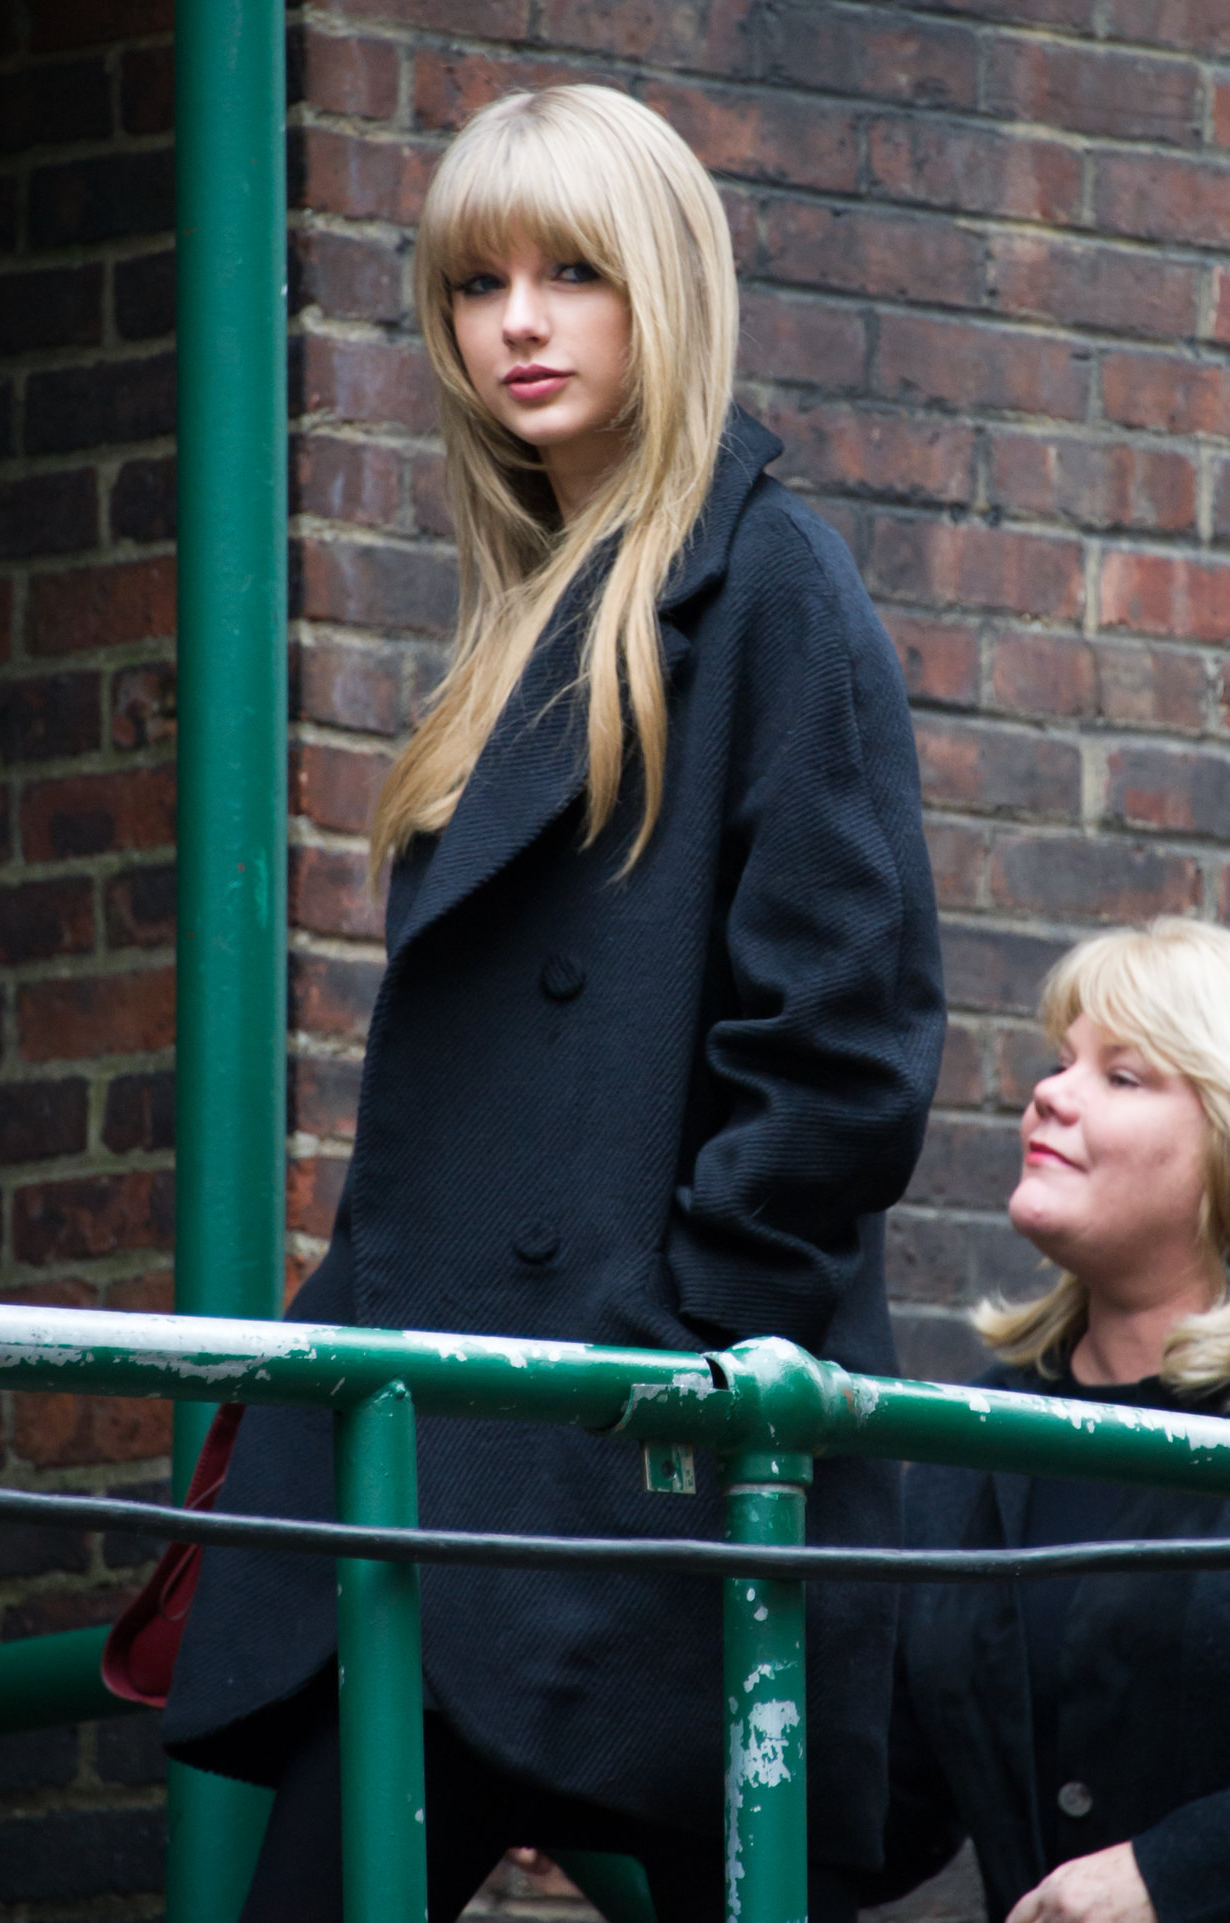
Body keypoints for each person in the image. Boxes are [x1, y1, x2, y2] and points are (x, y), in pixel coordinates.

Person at [161, 84, 945, 1923]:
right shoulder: (526, 611)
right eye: (473, 283)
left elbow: (840, 1040)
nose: (515, 321)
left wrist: (675, 1358)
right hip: (469, 1467)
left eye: (573, 273)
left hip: (633, 1471)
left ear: (661, 288)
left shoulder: (768, 590)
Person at [867, 917, 1230, 1923]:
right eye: (1060, 1061)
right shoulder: (971, 1445)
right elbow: (884, 1809)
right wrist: (624, 1784)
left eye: (1122, 1076)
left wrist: (1178, 1873)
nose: (1049, 1093)